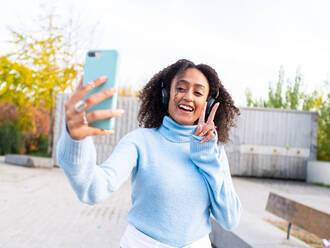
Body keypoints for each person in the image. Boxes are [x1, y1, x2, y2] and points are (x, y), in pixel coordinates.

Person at [56, 59, 242, 248]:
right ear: (166, 94)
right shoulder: (139, 141)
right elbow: (93, 190)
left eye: (198, 92)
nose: (188, 97)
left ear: (208, 103)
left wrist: (207, 158)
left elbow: (229, 219)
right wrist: (75, 139)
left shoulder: (213, 150)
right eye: (180, 88)